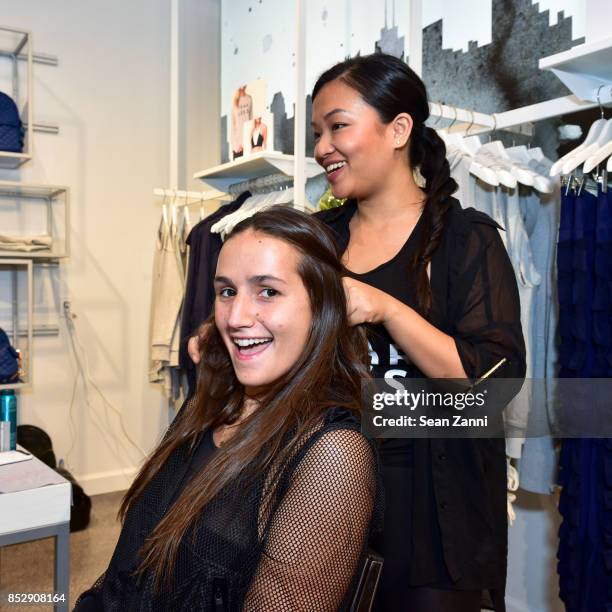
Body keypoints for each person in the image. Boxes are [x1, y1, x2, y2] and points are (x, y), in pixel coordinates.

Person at [75, 208, 381, 611]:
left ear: (321, 306)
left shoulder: (332, 454)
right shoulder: (214, 401)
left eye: (268, 291)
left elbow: (486, 400)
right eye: (226, 291)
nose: (236, 318)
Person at [310, 54, 526, 612]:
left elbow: (493, 388)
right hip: (325, 488)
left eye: (338, 126)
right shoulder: (316, 242)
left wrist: (386, 309)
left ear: (399, 129)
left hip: (433, 507)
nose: (321, 148)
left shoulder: (466, 240)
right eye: (317, 132)